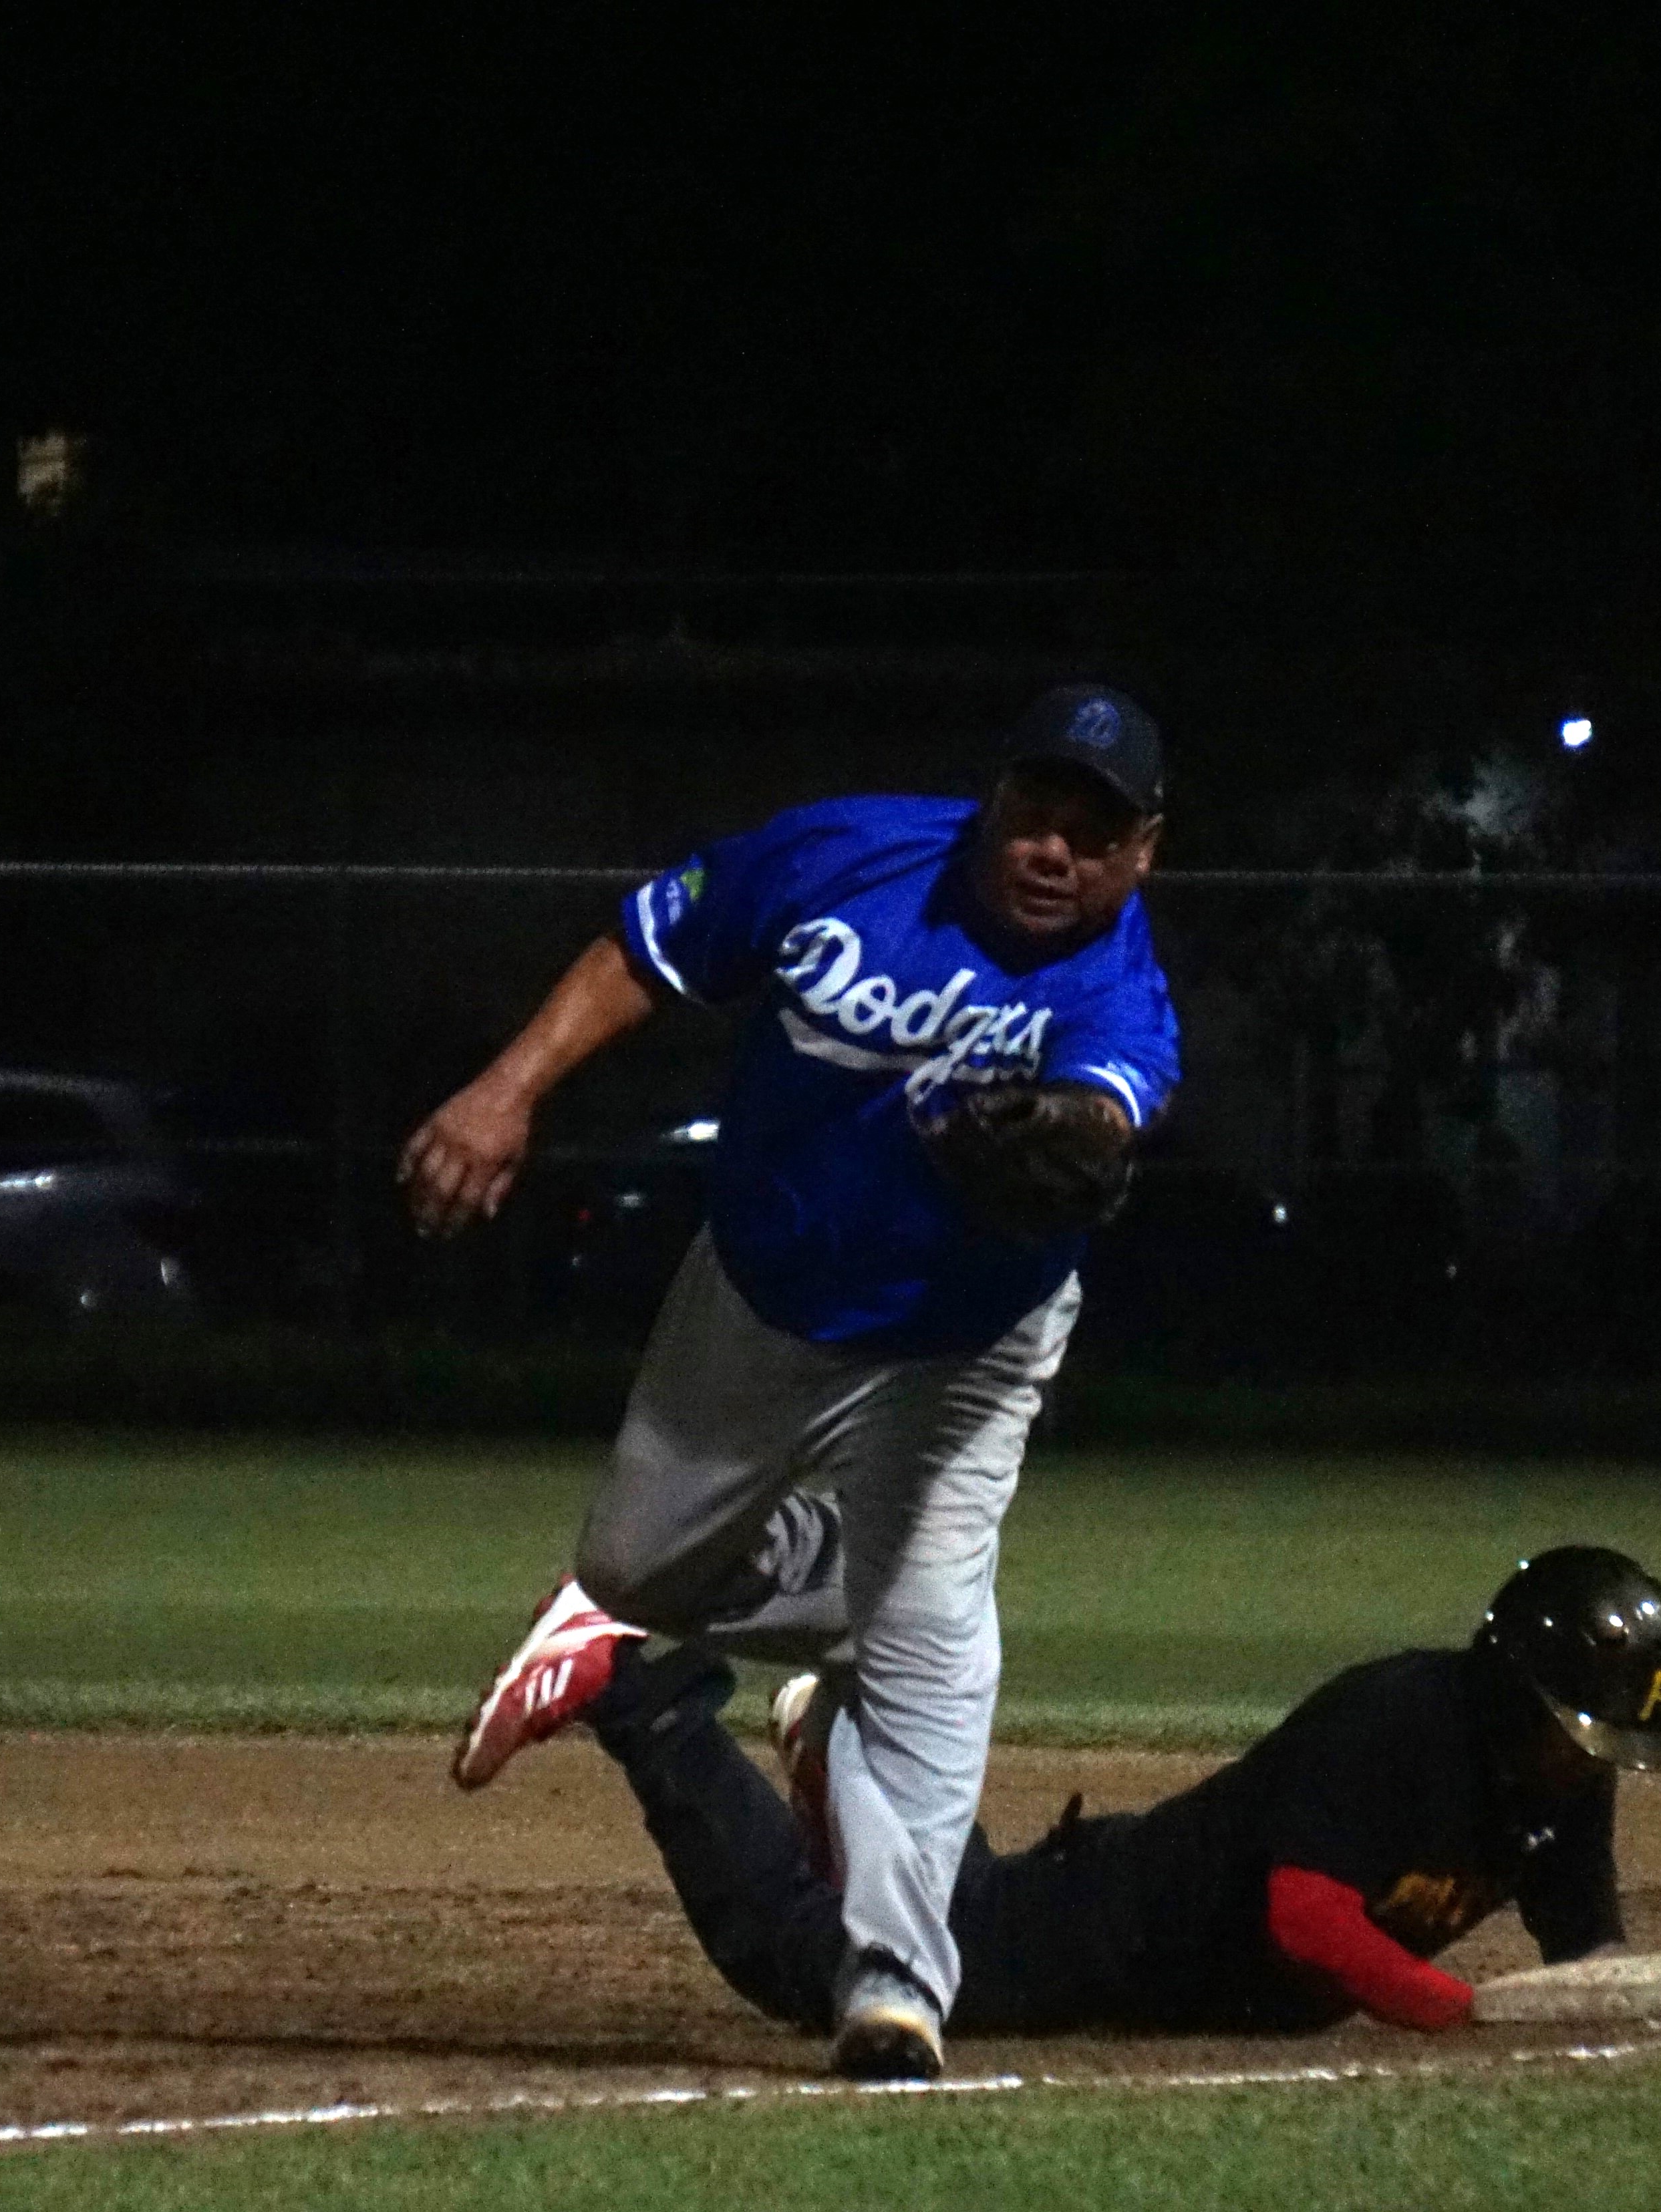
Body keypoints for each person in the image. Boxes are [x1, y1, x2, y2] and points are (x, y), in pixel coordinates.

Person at [396, 685, 1183, 2083]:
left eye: (1093, 829)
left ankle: (890, 1982)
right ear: (991, 797)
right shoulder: (847, 854)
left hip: (965, 1343)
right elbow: (649, 944)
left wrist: (1065, 1125)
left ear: (1142, 854)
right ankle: (812, 1573)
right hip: (757, 1303)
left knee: (935, 1620)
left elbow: (1110, 1105)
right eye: (1035, 810)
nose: (1053, 848)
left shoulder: (1114, 988)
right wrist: (505, 1088)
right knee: (631, 1568)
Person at [575, 1547, 1661, 2056]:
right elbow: (1302, 1915)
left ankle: (851, 1737)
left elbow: (1588, 1955)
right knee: (824, 1970)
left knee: (950, 1896)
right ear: (1513, 1692)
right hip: (1105, 1934)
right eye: (1575, 1735)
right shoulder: (1400, 1721)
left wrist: (1619, 2010)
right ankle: (640, 1693)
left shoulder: (1560, 1778)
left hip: (1170, 1976)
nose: (1587, 1765)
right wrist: (1461, 2015)